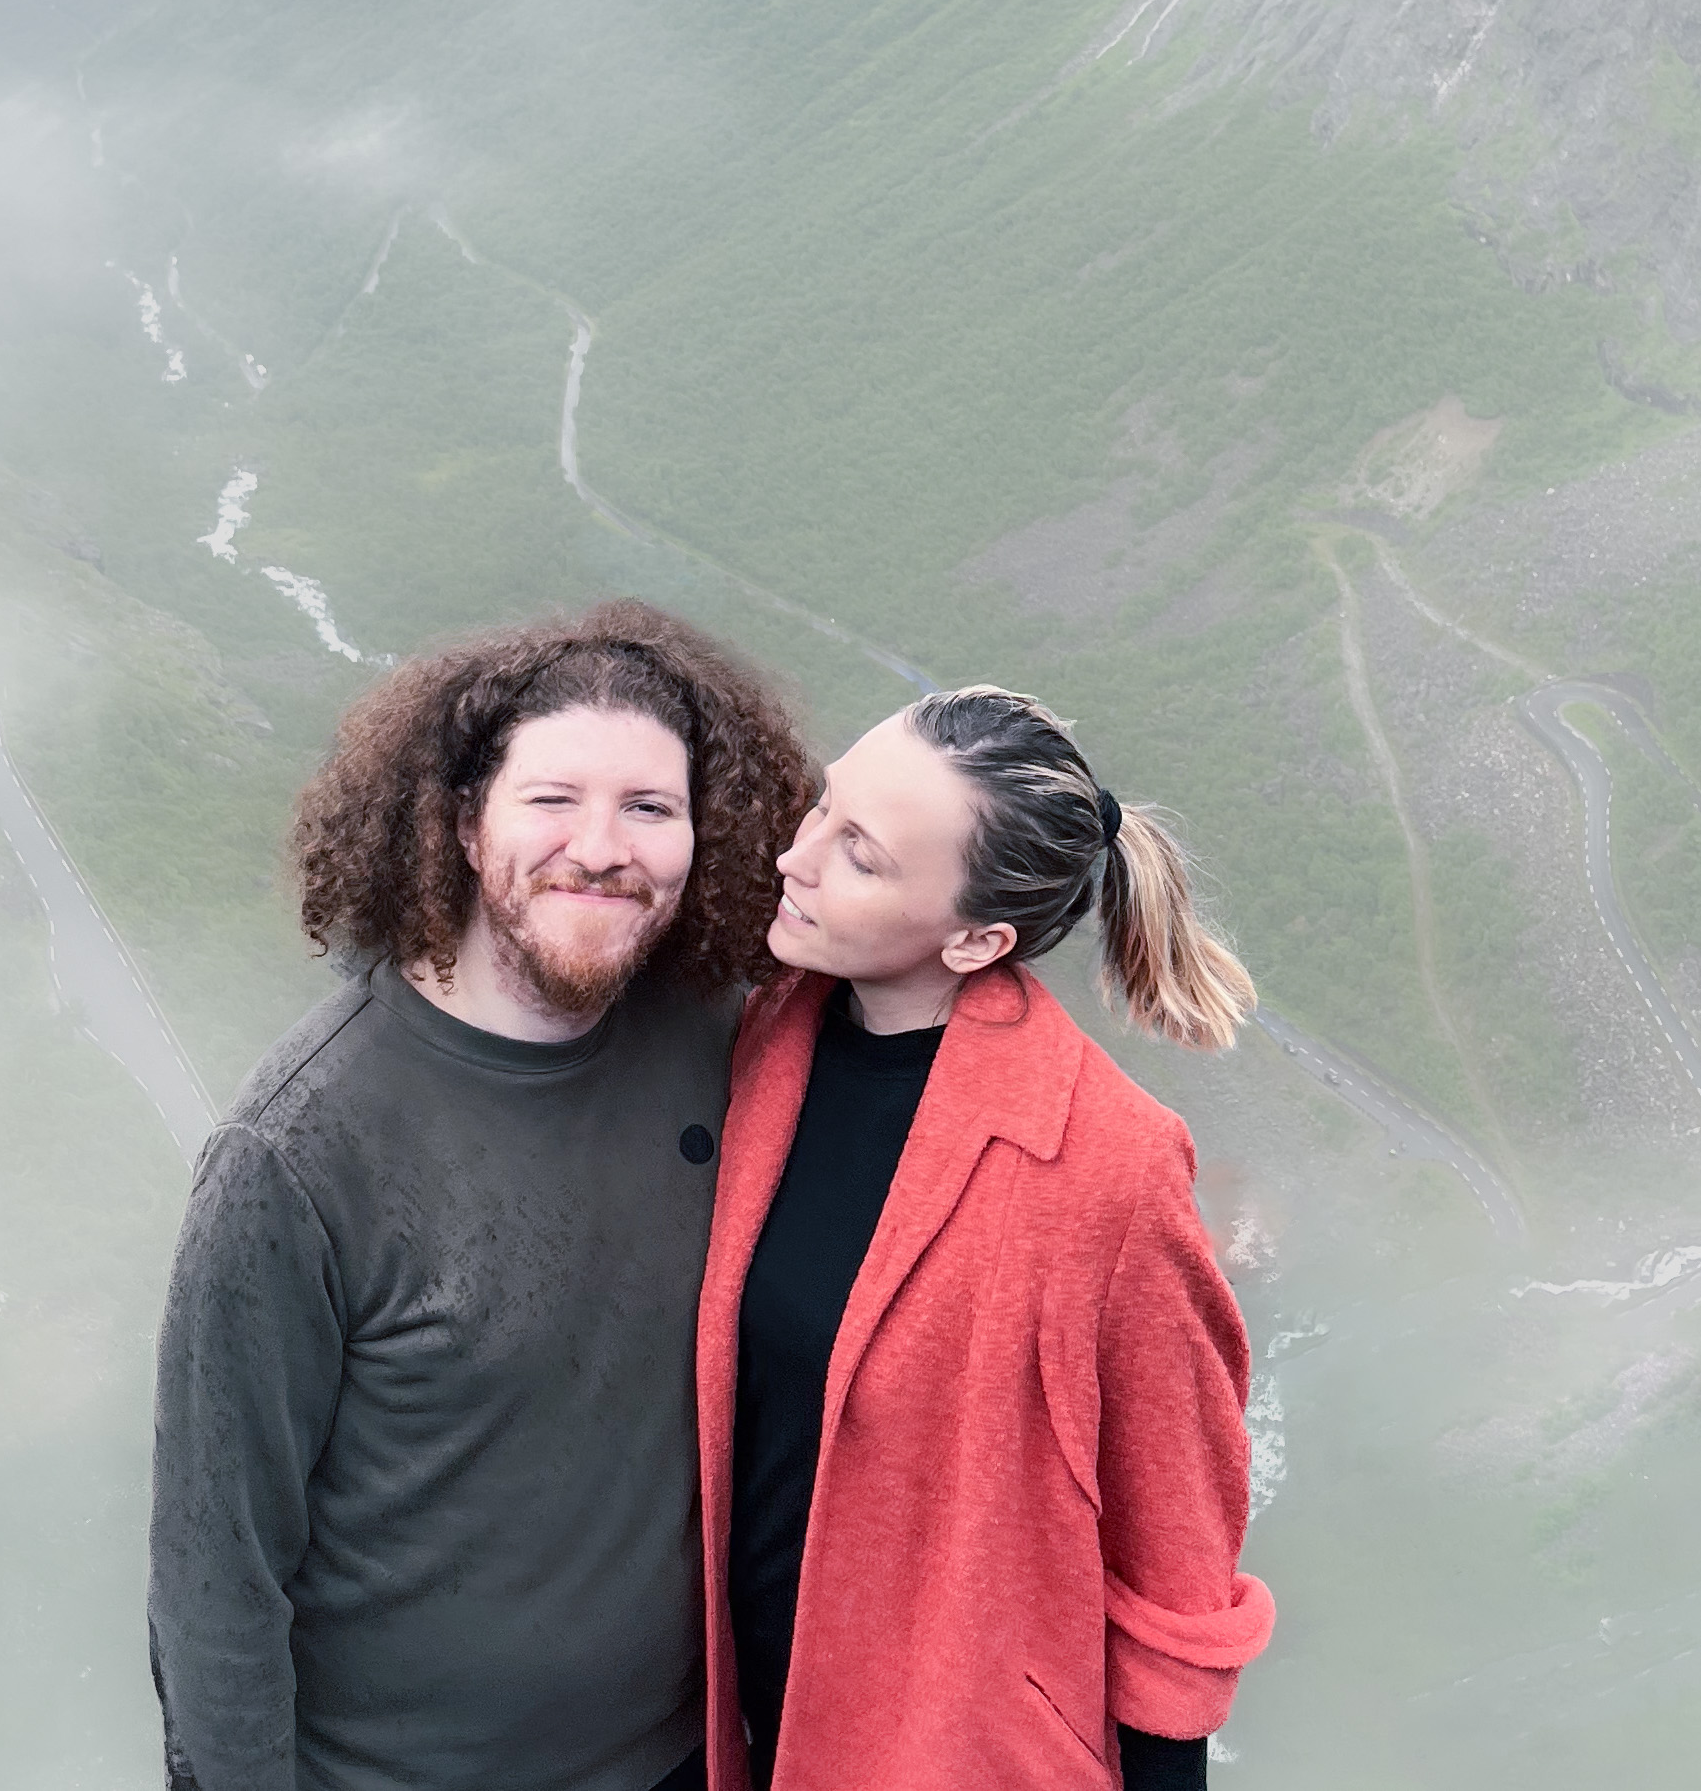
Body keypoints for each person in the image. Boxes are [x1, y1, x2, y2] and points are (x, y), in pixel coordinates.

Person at [149, 601, 812, 1791]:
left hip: (680, 1764)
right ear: (462, 823)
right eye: (551, 800)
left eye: (649, 808)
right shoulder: (296, 1154)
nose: (602, 848)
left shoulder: (720, 1039)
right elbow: (215, 1579)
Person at [696, 686, 1276, 1791]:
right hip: (742, 1728)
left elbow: (1177, 1541)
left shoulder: (1110, 1164)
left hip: (951, 1754)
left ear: (977, 939)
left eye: (859, 855)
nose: (795, 857)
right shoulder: (766, 1037)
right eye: (823, 807)